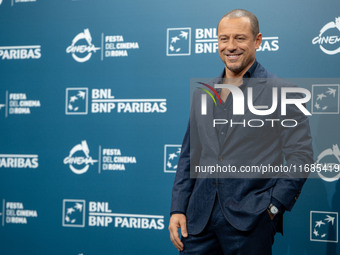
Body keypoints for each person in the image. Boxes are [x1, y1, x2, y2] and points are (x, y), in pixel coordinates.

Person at [169, 9, 313, 255]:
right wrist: (178, 208)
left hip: (251, 221)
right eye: (224, 38)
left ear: (257, 40)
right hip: (198, 221)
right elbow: (188, 156)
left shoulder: (283, 92)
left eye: (240, 38)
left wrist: (273, 208)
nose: (230, 46)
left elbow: (301, 157)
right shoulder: (203, 93)